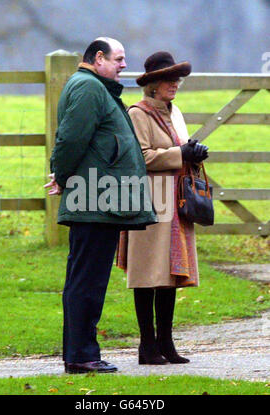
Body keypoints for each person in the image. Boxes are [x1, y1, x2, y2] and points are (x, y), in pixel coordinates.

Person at [44, 38, 157, 374]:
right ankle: (81, 356)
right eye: (119, 59)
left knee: (89, 280)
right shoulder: (89, 88)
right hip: (93, 201)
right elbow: (70, 137)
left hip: (99, 202)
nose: (124, 65)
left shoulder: (94, 87)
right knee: (86, 281)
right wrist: (63, 175)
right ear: (98, 58)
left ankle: (82, 353)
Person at [117, 51, 208, 365]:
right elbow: (141, 157)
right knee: (146, 273)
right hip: (149, 202)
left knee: (170, 273)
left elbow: (175, 150)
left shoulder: (174, 112)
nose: (175, 84)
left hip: (175, 202)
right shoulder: (138, 115)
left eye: (177, 79)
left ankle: (166, 343)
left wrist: (192, 154)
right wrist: (179, 152)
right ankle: (147, 346)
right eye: (168, 79)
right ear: (152, 84)